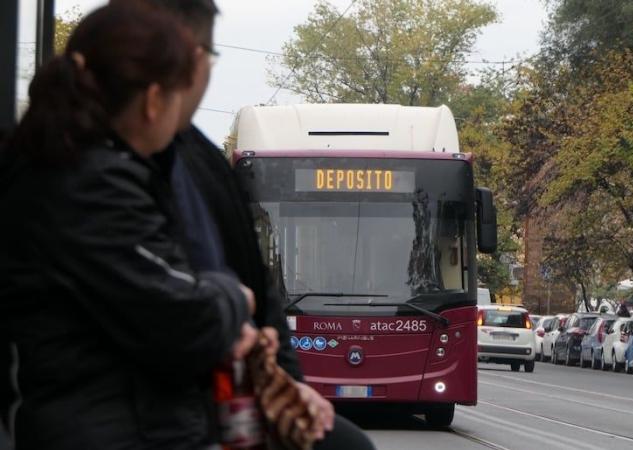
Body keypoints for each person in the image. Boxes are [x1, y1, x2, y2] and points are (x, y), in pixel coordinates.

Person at [0, 3, 259, 449]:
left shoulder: (71, 166)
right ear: (154, 101)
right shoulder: (95, 183)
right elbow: (183, 319)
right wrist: (234, 295)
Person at [128, 1, 376, 448]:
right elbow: (168, 302)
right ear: (193, 58)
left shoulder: (197, 158)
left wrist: (291, 385)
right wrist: (234, 311)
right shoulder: (122, 165)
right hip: (162, 411)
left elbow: (256, 287)